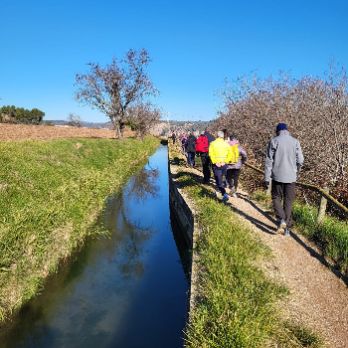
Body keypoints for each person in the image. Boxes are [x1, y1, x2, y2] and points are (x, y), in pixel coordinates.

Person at [264, 123, 304, 236]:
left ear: (278, 131)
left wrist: (267, 177)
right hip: (291, 177)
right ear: (287, 130)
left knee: (276, 197)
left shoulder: (274, 141)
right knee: (288, 202)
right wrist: (295, 170)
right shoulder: (295, 141)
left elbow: (269, 161)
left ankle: (282, 219)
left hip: (277, 176)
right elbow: (300, 160)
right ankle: (287, 228)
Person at [209, 130, 233, 202]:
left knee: (218, 179)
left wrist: (215, 162)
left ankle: (224, 194)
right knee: (220, 178)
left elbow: (211, 154)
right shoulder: (227, 144)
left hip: (216, 164)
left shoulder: (213, 143)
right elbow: (230, 155)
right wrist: (224, 161)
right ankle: (218, 191)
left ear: (217, 136)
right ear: (223, 136)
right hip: (224, 164)